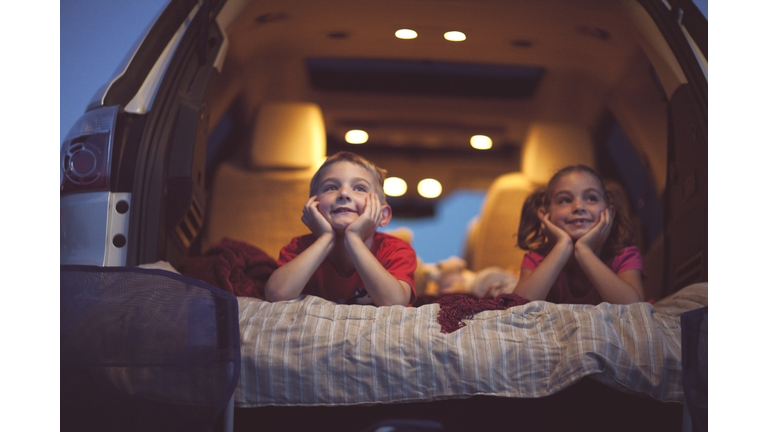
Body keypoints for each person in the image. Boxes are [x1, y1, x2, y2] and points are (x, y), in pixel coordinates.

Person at [264, 151, 417, 306]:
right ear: (313, 207)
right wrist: (325, 238)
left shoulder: (396, 250)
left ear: (382, 215)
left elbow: (396, 304)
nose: (343, 193)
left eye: (359, 188)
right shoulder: (299, 248)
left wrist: (354, 239)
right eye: (331, 188)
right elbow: (277, 293)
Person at [513, 165, 644, 305]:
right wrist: (563, 246)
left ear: (609, 213)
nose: (578, 207)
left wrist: (584, 251)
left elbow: (634, 308)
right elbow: (516, 307)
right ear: (545, 215)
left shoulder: (624, 256)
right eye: (565, 200)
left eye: (591, 198)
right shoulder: (537, 260)